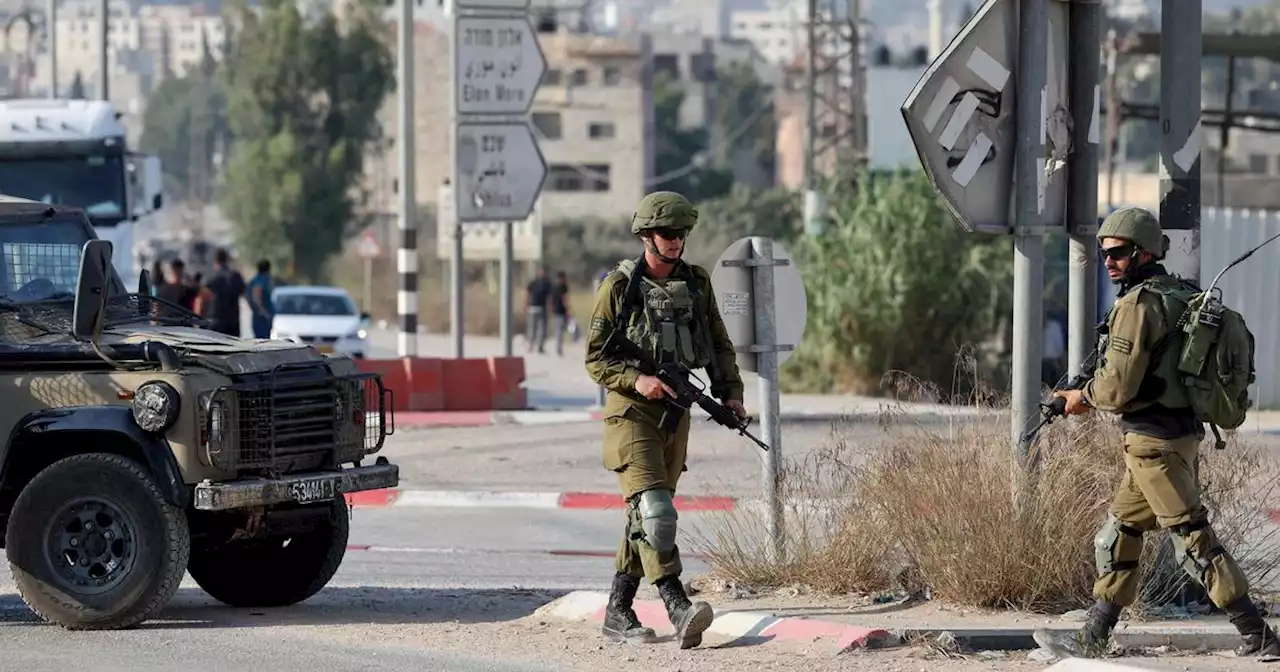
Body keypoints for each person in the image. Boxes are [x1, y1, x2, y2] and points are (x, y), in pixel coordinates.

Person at [1034, 207, 1280, 659]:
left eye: (1119, 254)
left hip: (1154, 445)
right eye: (1104, 253)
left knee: (1192, 538)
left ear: (1143, 253)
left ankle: (1258, 634)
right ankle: (1094, 635)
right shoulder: (1181, 294)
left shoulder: (1137, 305)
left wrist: (1075, 398)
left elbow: (1115, 388)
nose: (1109, 262)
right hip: (1174, 437)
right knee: (1121, 534)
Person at [583, 191, 746, 649]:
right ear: (645, 236)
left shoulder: (695, 283)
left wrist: (729, 393)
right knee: (656, 514)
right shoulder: (619, 287)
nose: (675, 241)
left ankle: (618, 610)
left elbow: (717, 344)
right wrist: (638, 380)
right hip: (631, 414)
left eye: (681, 234)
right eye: (666, 233)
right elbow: (596, 359)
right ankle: (679, 606)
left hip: (677, 414)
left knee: (645, 515)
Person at [202, 248, 246, 337]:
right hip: (233, 321)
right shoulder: (236, 275)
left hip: (216, 321)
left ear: (215, 261)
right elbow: (243, 292)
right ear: (227, 260)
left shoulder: (212, 277)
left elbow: (204, 296)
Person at [525, 266, 552, 353]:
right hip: (533, 307)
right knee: (533, 327)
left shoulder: (546, 283)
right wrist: (526, 303)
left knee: (542, 328)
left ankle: (540, 346)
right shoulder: (534, 282)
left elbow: (549, 297)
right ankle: (531, 344)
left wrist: (549, 306)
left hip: (542, 307)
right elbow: (527, 292)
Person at [246, 259, 274, 339]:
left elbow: (247, 296)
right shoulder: (262, 280)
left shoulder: (254, 280)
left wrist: (253, 307)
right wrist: (263, 312)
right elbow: (256, 295)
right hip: (263, 318)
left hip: (258, 317)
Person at [549, 270, 571, 355]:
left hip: (556, 311)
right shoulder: (563, 287)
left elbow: (550, 299)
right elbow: (565, 299)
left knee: (558, 330)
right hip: (562, 311)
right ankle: (559, 348)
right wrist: (568, 311)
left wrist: (551, 309)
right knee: (560, 330)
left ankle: (558, 347)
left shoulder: (553, 286)